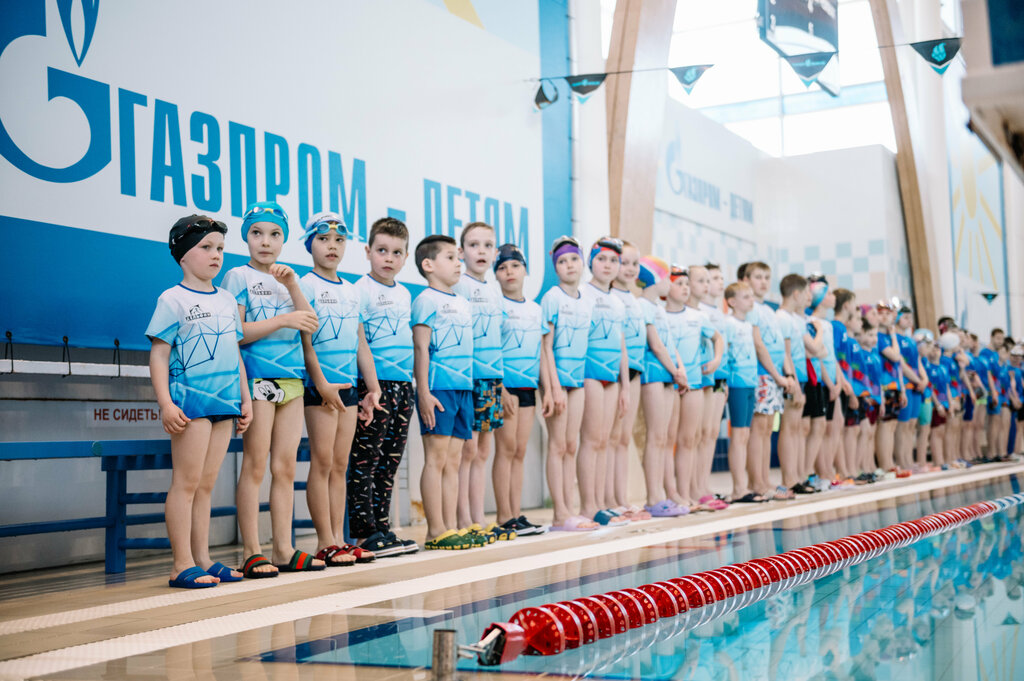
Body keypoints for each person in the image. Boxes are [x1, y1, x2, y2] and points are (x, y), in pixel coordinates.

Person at [148, 215, 252, 588]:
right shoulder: (172, 299)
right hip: (190, 404)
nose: (215, 255)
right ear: (182, 254)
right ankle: (181, 563)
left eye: (220, 248)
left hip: (225, 402)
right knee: (187, 482)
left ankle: (203, 558)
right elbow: (159, 355)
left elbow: (235, 353)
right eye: (206, 247)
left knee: (206, 484)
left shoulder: (226, 299)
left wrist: (245, 399)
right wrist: (165, 403)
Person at [222, 201, 325, 576]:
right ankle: (252, 550)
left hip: (292, 381)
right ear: (246, 237)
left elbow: (310, 323)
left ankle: (283, 547)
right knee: (255, 465)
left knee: (285, 467)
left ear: (284, 239)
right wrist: (282, 320)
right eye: (257, 233)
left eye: (274, 234)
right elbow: (236, 333)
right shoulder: (238, 276)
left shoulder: (291, 278)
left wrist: (292, 285)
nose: (265, 241)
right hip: (257, 379)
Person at [299, 212, 380, 567]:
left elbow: (361, 342)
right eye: (323, 239)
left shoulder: (352, 291)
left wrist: (372, 388)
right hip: (320, 387)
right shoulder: (305, 285)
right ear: (309, 244)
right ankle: (324, 541)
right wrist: (320, 384)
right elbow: (305, 343)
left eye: (339, 240)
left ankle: (339, 538)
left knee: (340, 464)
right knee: (322, 461)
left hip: (348, 387)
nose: (331, 246)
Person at [349, 217, 419, 557]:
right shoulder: (359, 290)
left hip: (403, 386)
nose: (388, 258)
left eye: (396, 252)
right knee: (366, 460)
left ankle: (382, 527)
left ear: (405, 257)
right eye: (381, 250)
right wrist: (370, 387)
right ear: (368, 251)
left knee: (390, 463)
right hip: (374, 386)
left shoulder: (405, 294)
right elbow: (359, 341)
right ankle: (363, 533)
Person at [411, 234, 476, 550]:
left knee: (454, 460)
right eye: (450, 257)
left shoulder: (462, 301)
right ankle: (434, 529)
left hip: (463, 388)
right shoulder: (425, 300)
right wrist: (423, 392)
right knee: (436, 459)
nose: (458, 263)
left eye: (458, 257)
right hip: (439, 388)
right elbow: (421, 349)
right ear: (428, 264)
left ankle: (450, 526)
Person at [452, 222, 508, 542]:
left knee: (483, 450)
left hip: (491, 376)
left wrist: (501, 380)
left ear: (495, 252)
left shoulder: (495, 289)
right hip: (468, 376)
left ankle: (479, 516)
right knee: (468, 449)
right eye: (474, 245)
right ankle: (463, 516)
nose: (481, 251)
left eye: (487, 245)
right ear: (461, 252)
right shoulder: (459, 285)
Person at [492, 243, 551, 536]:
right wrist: (500, 388)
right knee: (505, 450)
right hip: (507, 387)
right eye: (502, 268)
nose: (509, 272)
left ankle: (515, 513)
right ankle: (504, 515)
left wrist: (547, 389)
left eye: (515, 265)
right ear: (496, 275)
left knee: (519, 451)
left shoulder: (535, 309)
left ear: (525, 270)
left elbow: (542, 354)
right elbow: (491, 349)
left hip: (528, 387)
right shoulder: (496, 306)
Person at [541, 236, 597, 531]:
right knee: (558, 444)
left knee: (572, 445)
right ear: (556, 267)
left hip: (577, 380)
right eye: (562, 261)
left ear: (582, 261)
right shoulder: (552, 298)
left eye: (574, 259)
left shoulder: (586, 300)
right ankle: (559, 513)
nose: (569, 265)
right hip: (558, 381)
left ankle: (570, 509)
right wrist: (553, 388)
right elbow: (546, 346)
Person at [578, 237, 630, 526]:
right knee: (591, 439)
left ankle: (599, 503)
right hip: (589, 372)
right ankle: (588, 505)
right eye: (601, 259)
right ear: (591, 262)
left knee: (604, 440)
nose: (608, 265)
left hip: (612, 376)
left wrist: (625, 386)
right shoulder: (583, 294)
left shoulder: (617, 301)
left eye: (613, 261)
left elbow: (621, 345)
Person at [635, 256, 689, 517]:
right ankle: (653, 496)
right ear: (655, 279)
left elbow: (669, 343)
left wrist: (679, 369)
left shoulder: (657, 307)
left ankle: (663, 494)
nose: (670, 282)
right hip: (654, 374)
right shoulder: (643, 305)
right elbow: (656, 345)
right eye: (667, 277)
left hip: (668, 373)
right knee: (656, 436)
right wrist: (675, 371)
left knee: (664, 437)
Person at [666, 266, 722, 510]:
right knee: (669, 439)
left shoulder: (698, 316)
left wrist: (717, 360)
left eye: (687, 284)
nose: (686, 288)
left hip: (696, 381)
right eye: (680, 283)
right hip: (671, 380)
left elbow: (718, 338)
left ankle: (689, 491)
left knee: (691, 438)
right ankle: (673, 492)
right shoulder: (661, 314)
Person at [743, 262, 798, 501]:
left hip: (774, 377)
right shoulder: (751, 307)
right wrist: (777, 376)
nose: (763, 282)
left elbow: (779, 346)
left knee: (767, 429)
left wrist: (788, 375)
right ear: (746, 280)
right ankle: (756, 482)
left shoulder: (768, 309)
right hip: (761, 374)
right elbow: (758, 345)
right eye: (758, 277)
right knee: (759, 428)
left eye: (767, 277)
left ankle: (764, 480)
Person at [608, 241, 650, 520]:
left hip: (634, 370)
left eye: (635, 263)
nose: (630, 269)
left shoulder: (634, 300)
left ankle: (621, 498)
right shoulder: (610, 296)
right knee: (611, 438)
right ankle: (608, 499)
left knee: (623, 439)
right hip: (613, 372)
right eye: (624, 262)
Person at [721, 282, 763, 503]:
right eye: (746, 297)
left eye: (751, 296)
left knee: (745, 434)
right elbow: (725, 353)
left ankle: (743, 485)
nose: (751, 300)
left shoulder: (748, 325)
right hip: (736, 383)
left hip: (749, 383)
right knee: (738, 435)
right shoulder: (728, 324)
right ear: (732, 302)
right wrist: (726, 382)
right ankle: (738, 487)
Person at [693, 264, 729, 510]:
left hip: (720, 377)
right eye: (711, 278)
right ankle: (696, 486)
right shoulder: (699, 311)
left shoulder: (718, 312)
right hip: (705, 376)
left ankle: (703, 484)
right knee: (700, 433)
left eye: (717, 278)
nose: (716, 283)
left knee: (711, 434)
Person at [775, 274, 814, 494]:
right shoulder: (782, 318)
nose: (808, 297)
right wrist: (794, 382)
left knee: (797, 428)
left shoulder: (792, 318)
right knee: (789, 428)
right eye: (806, 292)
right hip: (791, 379)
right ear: (797, 294)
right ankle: (789, 478)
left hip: (800, 378)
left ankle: (798, 475)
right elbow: (786, 353)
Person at [874, 301, 908, 475]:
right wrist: (894, 334)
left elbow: (898, 366)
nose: (885, 317)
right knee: (885, 425)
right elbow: (895, 356)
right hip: (884, 385)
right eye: (881, 313)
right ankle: (885, 463)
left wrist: (902, 389)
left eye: (888, 313)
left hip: (895, 385)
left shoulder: (887, 338)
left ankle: (889, 462)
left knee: (892, 425)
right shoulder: (879, 337)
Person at [894, 303, 928, 474]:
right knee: (902, 426)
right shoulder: (895, 339)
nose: (908, 321)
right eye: (905, 317)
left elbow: (918, 362)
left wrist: (924, 379)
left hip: (916, 386)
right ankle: (901, 460)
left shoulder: (910, 340)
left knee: (911, 425)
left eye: (910, 318)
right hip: (906, 384)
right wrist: (916, 380)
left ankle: (908, 459)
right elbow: (901, 363)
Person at [833, 288, 861, 482]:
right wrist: (843, 382)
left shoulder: (841, 329)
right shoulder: (836, 327)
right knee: (838, 429)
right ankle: (842, 470)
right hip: (839, 383)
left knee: (842, 428)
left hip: (844, 383)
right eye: (853, 303)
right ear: (846, 305)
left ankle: (847, 470)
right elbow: (833, 357)